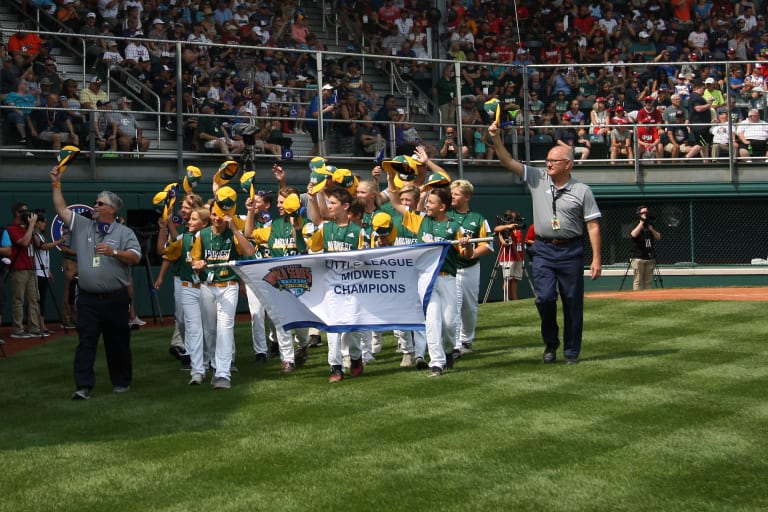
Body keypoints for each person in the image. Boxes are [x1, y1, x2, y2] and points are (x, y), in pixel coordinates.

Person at [487, 120, 602, 365]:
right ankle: (551, 342)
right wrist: (496, 138)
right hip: (543, 249)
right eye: (547, 160)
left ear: (568, 164)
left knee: (572, 302)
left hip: (570, 250)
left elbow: (593, 225)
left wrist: (596, 258)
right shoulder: (538, 177)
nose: (548, 164)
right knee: (545, 298)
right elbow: (508, 162)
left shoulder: (582, 190)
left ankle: (571, 351)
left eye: (554, 161)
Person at [50, 168, 142, 400]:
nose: (95, 206)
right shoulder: (83, 226)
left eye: (100, 203)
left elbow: (135, 257)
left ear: (112, 209)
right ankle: (83, 386)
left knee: (117, 343)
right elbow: (61, 209)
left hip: (115, 298)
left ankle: (121, 382)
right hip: (88, 298)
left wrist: (114, 252)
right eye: (95, 203)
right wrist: (56, 183)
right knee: (86, 342)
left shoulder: (124, 232)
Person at [190, 187, 255, 389]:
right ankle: (214, 364)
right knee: (210, 330)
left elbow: (249, 251)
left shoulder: (233, 232)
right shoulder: (202, 235)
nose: (217, 218)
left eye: (221, 215)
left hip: (229, 285)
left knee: (225, 329)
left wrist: (235, 228)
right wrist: (198, 263)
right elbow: (193, 259)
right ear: (209, 215)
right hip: (207, 286)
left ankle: (223, 374)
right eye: (214, 215)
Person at [154, 206, 212, 385]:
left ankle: (210, 362)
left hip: (207, 287)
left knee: (210, 329)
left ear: (204, 223)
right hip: (188, 287)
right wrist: (163, 229)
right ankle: (197, 370)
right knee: (192, 328)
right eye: (190, 219)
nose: (189, 222)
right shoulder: (183, 239)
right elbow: (163, 252)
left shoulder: (212, 238)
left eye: (194, 219)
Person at [449, 179, 492, 356]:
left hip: (470, 267)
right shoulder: (444, 215)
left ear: (467, 197)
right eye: (451, 193)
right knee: (453, 305)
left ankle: (466, 340)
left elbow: (487, 245)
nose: (452, 196)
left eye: (456, 194)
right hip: (450, 268)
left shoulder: (478, 218)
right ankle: (455, 345)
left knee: (469, 307)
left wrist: (472, 254)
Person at [6, 204, 43, 338]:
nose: (27, 213)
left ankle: (34, 327)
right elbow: (23, 243)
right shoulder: (12, 229)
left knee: (34, 299)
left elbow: (38, 244)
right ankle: (17, 329)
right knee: (18, 300)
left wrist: (32, 227)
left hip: (31, 268)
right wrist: (31, 226)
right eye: (24, 211)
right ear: (17, 213)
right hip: (18, 269)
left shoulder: (28, 228)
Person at [32, 212, 61, 334]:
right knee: (37, 299)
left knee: (42, 299)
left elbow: (45, 255)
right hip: (37, 272)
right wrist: (59, 241)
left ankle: (42, 325)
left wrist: (48, 271)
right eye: (42, 222)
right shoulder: (34, 234)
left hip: (43, 271)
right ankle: (37, 325)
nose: (45, 224)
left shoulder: (41, 235)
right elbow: (42, 247)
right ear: (36, 223)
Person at [493, 210, 525, 301]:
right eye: (512, 217)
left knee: (515, 280)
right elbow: (496, 229)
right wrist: (508, 226)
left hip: (518, 257)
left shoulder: (517, 228)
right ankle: (506, 300)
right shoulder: (504, 228)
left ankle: (515, 300)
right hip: (507, 257)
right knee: (507, 279)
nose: (514, 220)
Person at [629, 206, 662, 291]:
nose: (645, 214)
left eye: (646, 212)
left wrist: (651, 229)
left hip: (649, 257)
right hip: (638, 257)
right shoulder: (635, 224)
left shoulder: (651, 224)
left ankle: (648, 296)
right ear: (639, 214)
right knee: (638, 280)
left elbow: (658, 237)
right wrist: (641, 223)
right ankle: (637, 296)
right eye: (643, 213)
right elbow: (633, 234)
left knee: (648, 281)